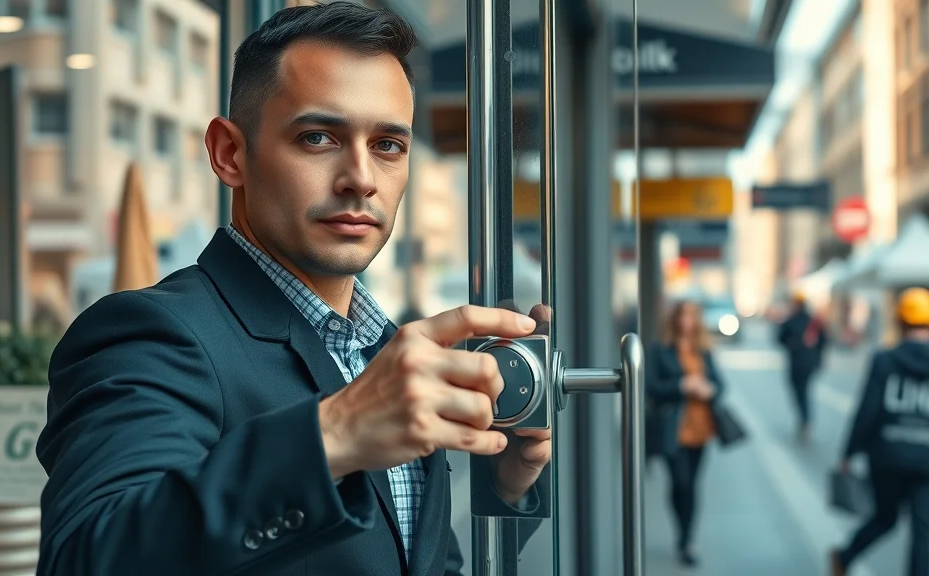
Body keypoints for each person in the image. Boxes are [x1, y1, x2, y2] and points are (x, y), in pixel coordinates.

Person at [35, 4, 550, 575]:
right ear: (230, 153)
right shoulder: (149, 334)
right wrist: (336, 433)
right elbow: (86, 557)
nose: (361, 177)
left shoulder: (385, 350)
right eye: (318, 137)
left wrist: (507, 488)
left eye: (388, 145)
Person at [830, 288, 929, 576]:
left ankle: (845, 556)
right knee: (923, 535)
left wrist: (849, 452)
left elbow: (867, 410)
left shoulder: (884, 361)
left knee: (885, 518)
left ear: (900, 321)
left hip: (887, 456)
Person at [649, 300, 725, 568]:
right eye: (682, 316)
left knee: (692, 485)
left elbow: (720, 384)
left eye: (691, 316)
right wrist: (682, 385)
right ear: (674, 319)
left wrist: (709, 389)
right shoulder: (660, 350)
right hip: (673, 429)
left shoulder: (702, 349)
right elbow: (651, 387)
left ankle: (687, 539)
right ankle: (683, 535)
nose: (686, 322)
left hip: (701, 427)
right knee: (681, 483)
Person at [778, 290, 828, 443]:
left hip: (797, 363)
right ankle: (805, 419)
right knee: (803, 391)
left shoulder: (793, 321)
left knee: (800, 392)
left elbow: (780, 338)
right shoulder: (811, 321)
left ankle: (804, 419)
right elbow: (823, 342)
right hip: (808, 363)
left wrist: (792, 344)